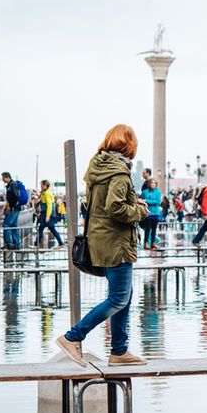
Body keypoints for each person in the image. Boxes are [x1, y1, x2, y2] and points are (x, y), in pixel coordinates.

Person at [56, 124, 149, 367]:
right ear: (128, 145)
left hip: (101, 240)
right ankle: (72, 337)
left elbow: (100, 204)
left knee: (124, 296)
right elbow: (115, 208)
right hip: (116, 243)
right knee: (119, 298)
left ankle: (119, 351)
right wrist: (140, 210)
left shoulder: (98, 167)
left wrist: (131, 201)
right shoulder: (119, 172)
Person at [1, 172, 25, 250]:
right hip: (16, 208)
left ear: (7, 177)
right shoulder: (12, 185)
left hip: (13, 208)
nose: (2, 180)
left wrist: (10, 206)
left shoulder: (12, 184)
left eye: (3, 178)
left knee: (6, 225)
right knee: (14, 226)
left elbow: (16, 196)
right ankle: (17, 244)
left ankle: (9, 244)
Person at [36, 180, 64, 248]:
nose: (41, 186)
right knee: (45, 228)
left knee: (45, 228)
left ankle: (61, 243)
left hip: (47, 214)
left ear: (45, 185)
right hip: (46, 213)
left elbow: (49, 205)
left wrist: (47, 216)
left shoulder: (47, 193)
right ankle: (61, 243)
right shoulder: (45, 192)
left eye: (42, 185)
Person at [140, 178, 162, 249]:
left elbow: (157, 202)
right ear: (149, 184)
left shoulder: (158, 192)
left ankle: (153, 243)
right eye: (152, 183)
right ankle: (146, 243)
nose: (153, 184)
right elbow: (141, 200)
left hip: (156, 213)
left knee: (154, 229)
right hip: (148, 213)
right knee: (147, 228)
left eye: (154, 183)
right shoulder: (144, 192)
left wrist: (147, 200)